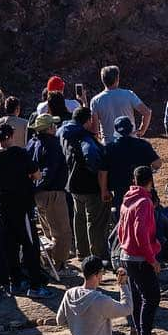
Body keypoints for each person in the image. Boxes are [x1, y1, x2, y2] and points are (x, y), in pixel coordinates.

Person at [0, 123, 53, 298]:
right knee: (30, 245)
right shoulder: (19, 153)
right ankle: (35, 285)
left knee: (11, 245)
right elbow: (37, 175)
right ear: (11, 136)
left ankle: (16, 281)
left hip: (4, 206)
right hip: (22, 205)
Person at [117, 166, 162, 335]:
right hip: (140, 258)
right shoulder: (144, 202)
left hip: (126, 255)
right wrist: (152, 259)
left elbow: (120, 230)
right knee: (152, 297)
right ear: (150, 181)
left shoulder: (127, 199)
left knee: (137, 296)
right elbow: (140, 232)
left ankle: (139, 333)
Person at [60, 107, 111, 260]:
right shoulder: (84, 138)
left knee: (79, 219)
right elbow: (91, 156)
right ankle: (97, 256)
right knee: (94, 222)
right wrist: (98, 173)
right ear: (87, 121)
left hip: (73, 184)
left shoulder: (65, 133)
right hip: (90, 187)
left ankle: (82, 253)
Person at [27, 114, 73, 271]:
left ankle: (48, 263)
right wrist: (42, 185)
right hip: (52, 193)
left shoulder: (32, 143)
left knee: (47, 230)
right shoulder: (52, 145)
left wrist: (34, 188)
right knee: (63, 233)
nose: (55, 127)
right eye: (53, 125)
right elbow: (49, 171)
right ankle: (59, 265)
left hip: (39, 194)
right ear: (48, 129)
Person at [106, 116, 162, 211]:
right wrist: (149, 171)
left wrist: (104, 189)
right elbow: (157, 163)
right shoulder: (143, 145)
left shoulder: (109, 148)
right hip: (143, 191)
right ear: (131, 128)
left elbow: (103, 171)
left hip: (121, 192)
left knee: (123, 218)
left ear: (116, 130)